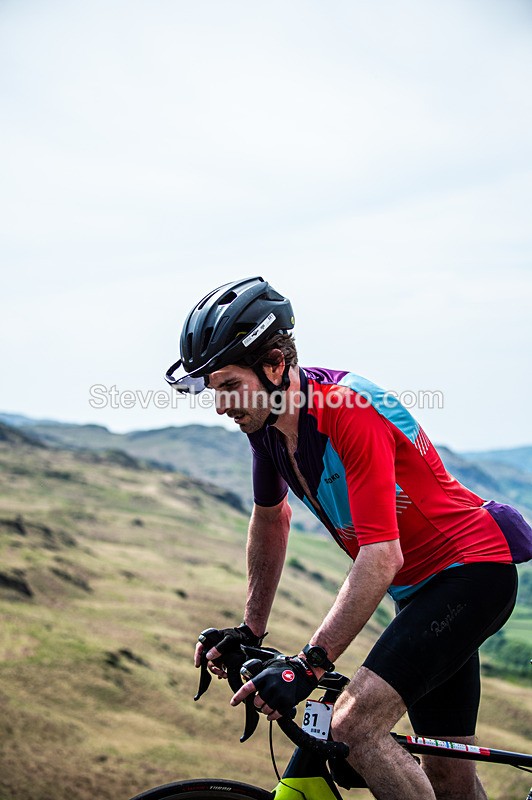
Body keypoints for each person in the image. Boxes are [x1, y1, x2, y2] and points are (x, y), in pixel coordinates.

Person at [165, 276, 532, 800]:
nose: (221, 406)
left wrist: (309, 665)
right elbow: (272, 519)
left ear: (274, 364)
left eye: (228, 386)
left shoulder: (346, 410)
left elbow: (381, 556)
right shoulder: (267, 427)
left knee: (352, 729)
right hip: (419, 594)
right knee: (449, 776)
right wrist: (251, 629)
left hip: (471, 573)